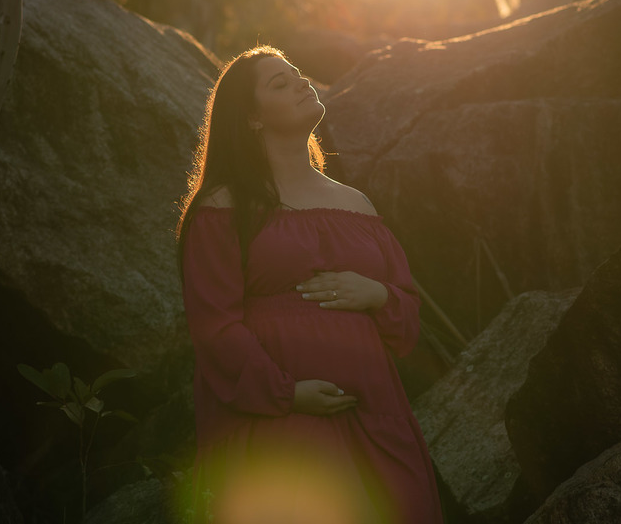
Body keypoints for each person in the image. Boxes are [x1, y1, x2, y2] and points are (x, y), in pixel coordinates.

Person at [176, 45, 445, 524]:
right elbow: (214, 326)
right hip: (277, 419)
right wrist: (286, 395)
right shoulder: (222, 206)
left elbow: (406, 317)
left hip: (374, 413)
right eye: (279, 83)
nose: (300, 82)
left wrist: (377, 294)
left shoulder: (356, 204)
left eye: (297, 73)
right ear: (252, 118)